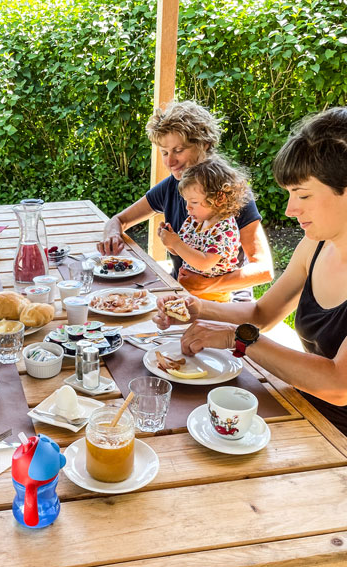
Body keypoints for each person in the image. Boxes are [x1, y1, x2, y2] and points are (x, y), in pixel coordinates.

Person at [154, 106, 347, 434]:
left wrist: (238, 339)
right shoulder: (315, 246)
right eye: (289, 194)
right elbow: (262, 312)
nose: (289, 209)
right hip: (303, 406)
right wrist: (199, 308)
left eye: (303, 195)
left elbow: (338, 385)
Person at [98, 100, 273, 300]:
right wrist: (112, 234)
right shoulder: (172, 185)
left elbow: (264, 270)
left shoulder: (228, 191)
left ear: (204, 145)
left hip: (228, 299)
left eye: (178, 150)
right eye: (165, 152)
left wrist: (208, 284)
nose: (170, 162)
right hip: (181, 292)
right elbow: (118, 220)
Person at [157, 156, 249, 302]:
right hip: (189, 292)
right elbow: (182, 252)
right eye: (186, 201)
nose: (188, 207)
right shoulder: (195, 221)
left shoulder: (225, 229)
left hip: (213, 298)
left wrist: (176, 243)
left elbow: (204, 262)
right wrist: (169, 240)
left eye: (194, 202)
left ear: (219, 199)